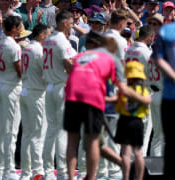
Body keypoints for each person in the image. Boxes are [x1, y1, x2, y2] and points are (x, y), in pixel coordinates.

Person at [64, 32, 151, 180]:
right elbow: (123, 89)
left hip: (71, 94)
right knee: (93, 140)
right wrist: (144, 99)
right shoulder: (112, 58)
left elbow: (68, 64)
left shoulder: (84, 54)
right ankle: (91, 177)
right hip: (92, 96)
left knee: (72, 139)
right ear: (114, 50)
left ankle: (71, 177)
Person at [42, 10, 77, 180]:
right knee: (62, 131)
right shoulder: (61, 40)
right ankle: (62, 172)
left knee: (51, 130)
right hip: (61, 86)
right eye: (71, 23)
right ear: (64, 23)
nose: (72, 26)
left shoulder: (48, 39)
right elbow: (68, 64)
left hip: (50, 86)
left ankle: (48, 171)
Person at [19, 24, 51, 180]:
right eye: (48, 35)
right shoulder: (39, 50)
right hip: (36, 93)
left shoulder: (27, 48)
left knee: (27, 134)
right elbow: (46, 74)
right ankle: (38, 171)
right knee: (38, 133)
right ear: (42, 35)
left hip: (25, 90)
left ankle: (26, 172)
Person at [0, 15, 23, 180]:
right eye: (19, 26)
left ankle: (1, 168)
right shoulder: (14, 46)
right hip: (12, 88)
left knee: (3, 130)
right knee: (11, 131)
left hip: (1, 86)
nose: (21, 28)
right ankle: (9, 170)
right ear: (13, 28)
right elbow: (20, 71)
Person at [114, 61, 149, 180]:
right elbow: (147, 105)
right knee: (138, 152)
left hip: (124, 121)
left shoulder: (123, 91)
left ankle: (125, 177)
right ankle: (139, 178)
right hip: (138, 122)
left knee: (125, 153)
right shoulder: (144, 91)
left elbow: (118, 108)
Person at [125, 25, 155, 157]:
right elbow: (154, 75)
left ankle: (130, 165)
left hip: (130, 92)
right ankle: (138, 168)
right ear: (149, 37)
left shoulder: (129, 50)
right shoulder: (147, 53)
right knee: (143, 134)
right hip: (144, 92)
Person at [152, 21, 175, 179]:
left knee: (159, 139)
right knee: (168, 141)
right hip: (169, 96)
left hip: (158, 93)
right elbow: (158, 59)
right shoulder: (166, 31)